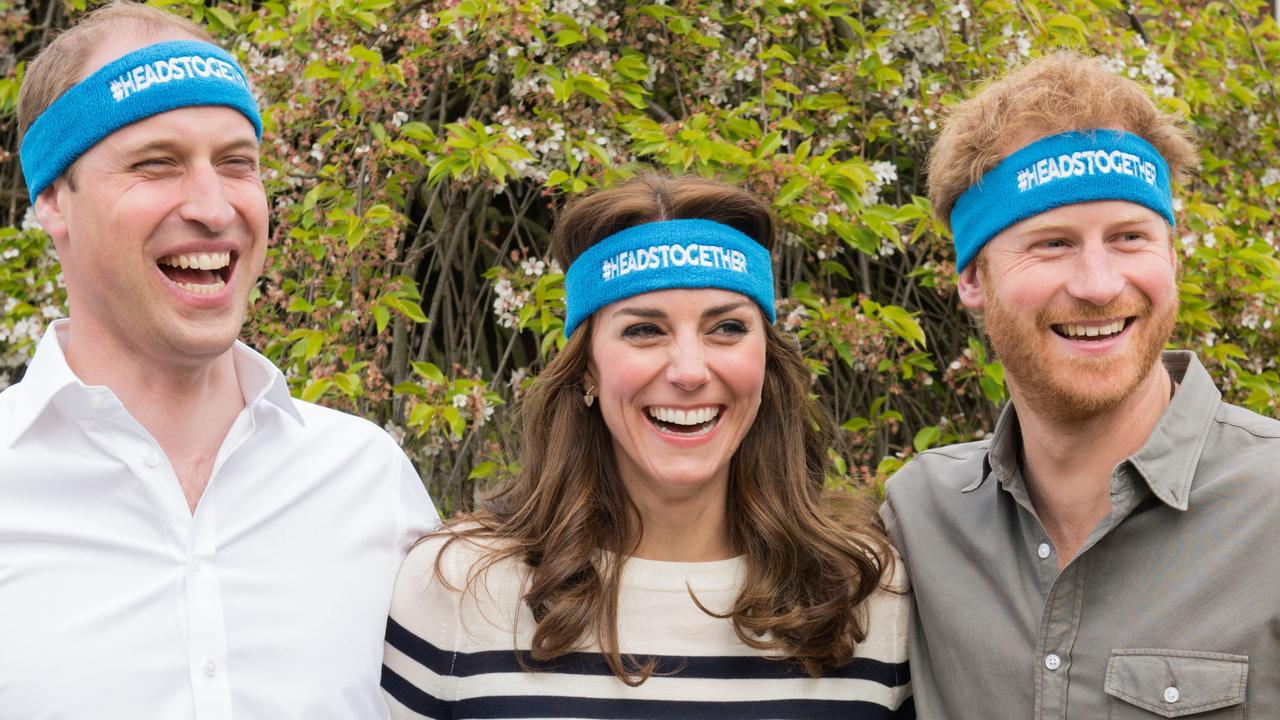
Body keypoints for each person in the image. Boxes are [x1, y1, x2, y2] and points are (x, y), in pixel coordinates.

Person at [1, 3, 438, 717]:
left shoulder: (369, 481)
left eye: (237, 163)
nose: (212, 206)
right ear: (53, 200)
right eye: (156, 164)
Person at [381, 174, 912, 719]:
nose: (689, 371)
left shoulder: (865, 594)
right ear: (587, 364)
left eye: (727, 328)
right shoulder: (459, 587)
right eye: (643, 331)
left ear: (767, 361)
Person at [881, 51, 1280, 718]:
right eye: (1052, 243)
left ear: (1173, 256)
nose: (1098, 285)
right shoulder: (918, 518)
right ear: (973, 278)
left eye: (1129, 237)